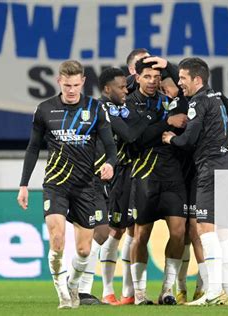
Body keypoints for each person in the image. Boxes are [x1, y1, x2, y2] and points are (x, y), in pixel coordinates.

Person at [16, 60, 117, 309]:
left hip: (86, 187)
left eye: (75, 84)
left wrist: (110, 164)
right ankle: (62, 293)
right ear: (58, 81)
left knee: (84, 250)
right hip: (56, 185)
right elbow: (32, 148)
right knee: (57, 238)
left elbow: (111, 145)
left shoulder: (95, 109)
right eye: (66, 84)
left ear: (83, 82)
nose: (71, 89)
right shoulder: (45, 109)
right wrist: (24, 184)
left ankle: (73, 285)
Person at [162, 57, 228, 306]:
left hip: (211, 169)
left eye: (183, 78)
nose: (180, 83)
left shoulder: (199, 101)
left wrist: (170, 138)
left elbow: (188, 140)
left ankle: (214, 292)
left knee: (206, 230)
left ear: (197, 79)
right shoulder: (217, 97)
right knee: (225, 232)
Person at [127, 57, 188, 305]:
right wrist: (166, 123)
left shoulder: (169, 101)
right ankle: (140, 293)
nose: (153, 81)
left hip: (172, 175)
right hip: (144, 175)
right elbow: (136, 139)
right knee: (141, 236)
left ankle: (167, 289)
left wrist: (169, 66)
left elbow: (186, 106)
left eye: (157, 77)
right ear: (138, 77)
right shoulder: (128, 104)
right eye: (148, 76)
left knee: (178, 232)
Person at [93, 67, 155, 305]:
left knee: (132, 230)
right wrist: (153, 118)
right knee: (113, 230)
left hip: (131, 171)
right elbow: (130, 135)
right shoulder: (104, 107)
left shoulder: (121, 104)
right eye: (122, 86)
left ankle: (129, 293)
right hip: (111, 174)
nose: (126, 89)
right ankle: (107, 290)